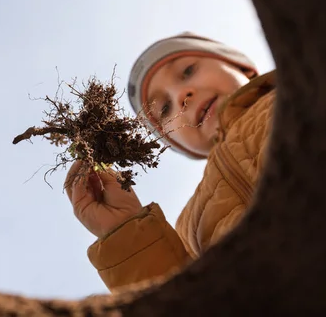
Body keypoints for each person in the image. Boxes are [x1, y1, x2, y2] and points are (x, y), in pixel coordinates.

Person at [65, 32, 276, 292]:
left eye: (188, 71)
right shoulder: (189, 228)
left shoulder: (298, 95)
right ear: (176, 144)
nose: (180, 96)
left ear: (242, 67)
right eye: (164, 110)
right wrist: (128, 233)